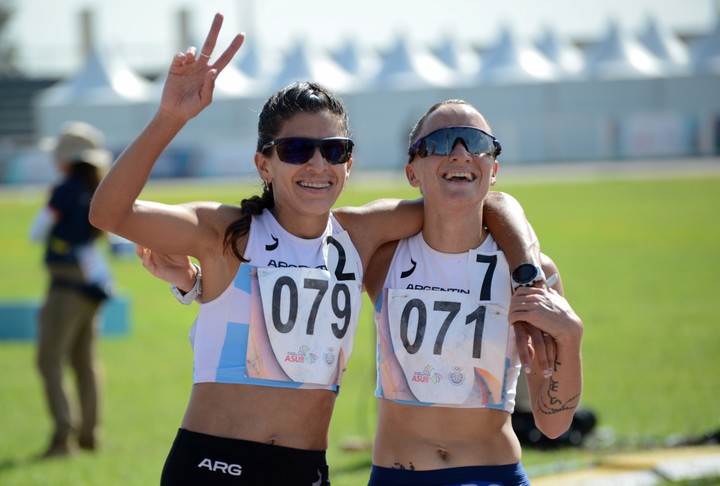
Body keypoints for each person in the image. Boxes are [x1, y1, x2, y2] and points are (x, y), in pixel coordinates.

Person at [89, 13, 542, 485]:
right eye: (297, 150)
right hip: (213, 465)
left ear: (350, 163)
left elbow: (486, 201)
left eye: (334, 150)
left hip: (305, 471)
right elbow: (110, 214)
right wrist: (170, 118)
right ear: (263, 163)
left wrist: (528, 274)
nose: (318, 164)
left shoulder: (360, 234)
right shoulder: (226, 232)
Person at [361, 100, 584, 485]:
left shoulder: (534, 274)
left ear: (493, 169)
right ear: (412, 171)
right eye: (442, 141)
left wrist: (570, 337)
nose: (461, 153)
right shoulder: (381, 257)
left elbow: (553, 424)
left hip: (494, 474)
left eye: (477, 143)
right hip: (399, 475)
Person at [29, 121, 114, 458]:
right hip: (93, 283)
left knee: (49, 358)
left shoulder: (64, 189)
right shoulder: (98, 189)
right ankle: (90, 434)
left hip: (65, 284)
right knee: (85, 361)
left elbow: (38, 231)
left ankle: (63, 437)